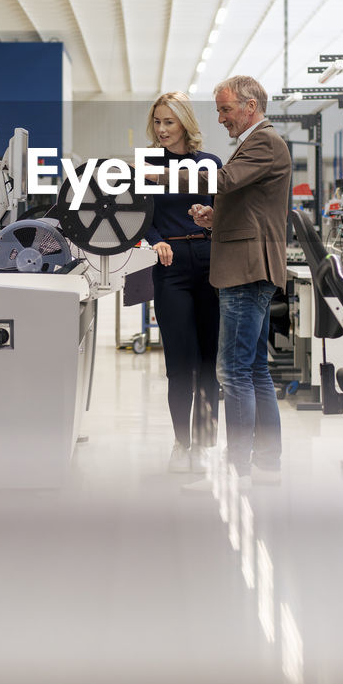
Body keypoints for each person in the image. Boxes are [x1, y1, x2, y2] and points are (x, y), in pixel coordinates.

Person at [185, 75, 292, 484]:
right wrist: (216, 217)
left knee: (232, 371)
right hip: (250, 265)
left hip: (247, 272)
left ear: (250, 107)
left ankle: (237, 468)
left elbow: (225, 181)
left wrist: (163, 175)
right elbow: (253, 207)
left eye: (226, 109)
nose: (221, 117)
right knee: (254, 370)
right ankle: (265, 463)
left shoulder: (263, 141)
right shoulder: (254, 145)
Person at [144, 92, 222, 474]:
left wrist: (210, 213)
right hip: (170, 263)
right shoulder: (148, 165)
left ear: (185, 124)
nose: (161, 130)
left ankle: (205, 444)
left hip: (210, 261)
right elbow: (142, 215)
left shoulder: (209, 163)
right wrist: (155, 238)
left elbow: (225, 209)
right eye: (157, 122)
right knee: (179, 363)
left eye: (169, 122)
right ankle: (181, 443)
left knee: (209, 361)